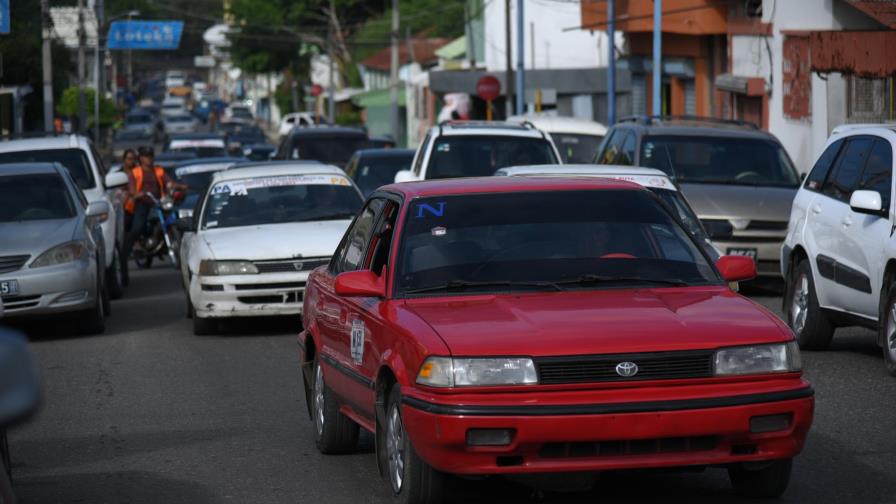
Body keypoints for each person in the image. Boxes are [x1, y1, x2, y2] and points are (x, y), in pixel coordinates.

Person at [123, 146, 185, 257]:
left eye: (151, 156)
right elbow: (132, 188)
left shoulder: (158, 170)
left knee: (172, 217)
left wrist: (177, 186)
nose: (149, 159)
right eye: (146, 156)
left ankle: (166, 239)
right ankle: (129, 250)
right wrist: (137, 193)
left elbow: (168, 182)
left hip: (158, 202)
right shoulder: (135, 172)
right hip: (142, 202)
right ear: (141, 158)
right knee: (138, 227)